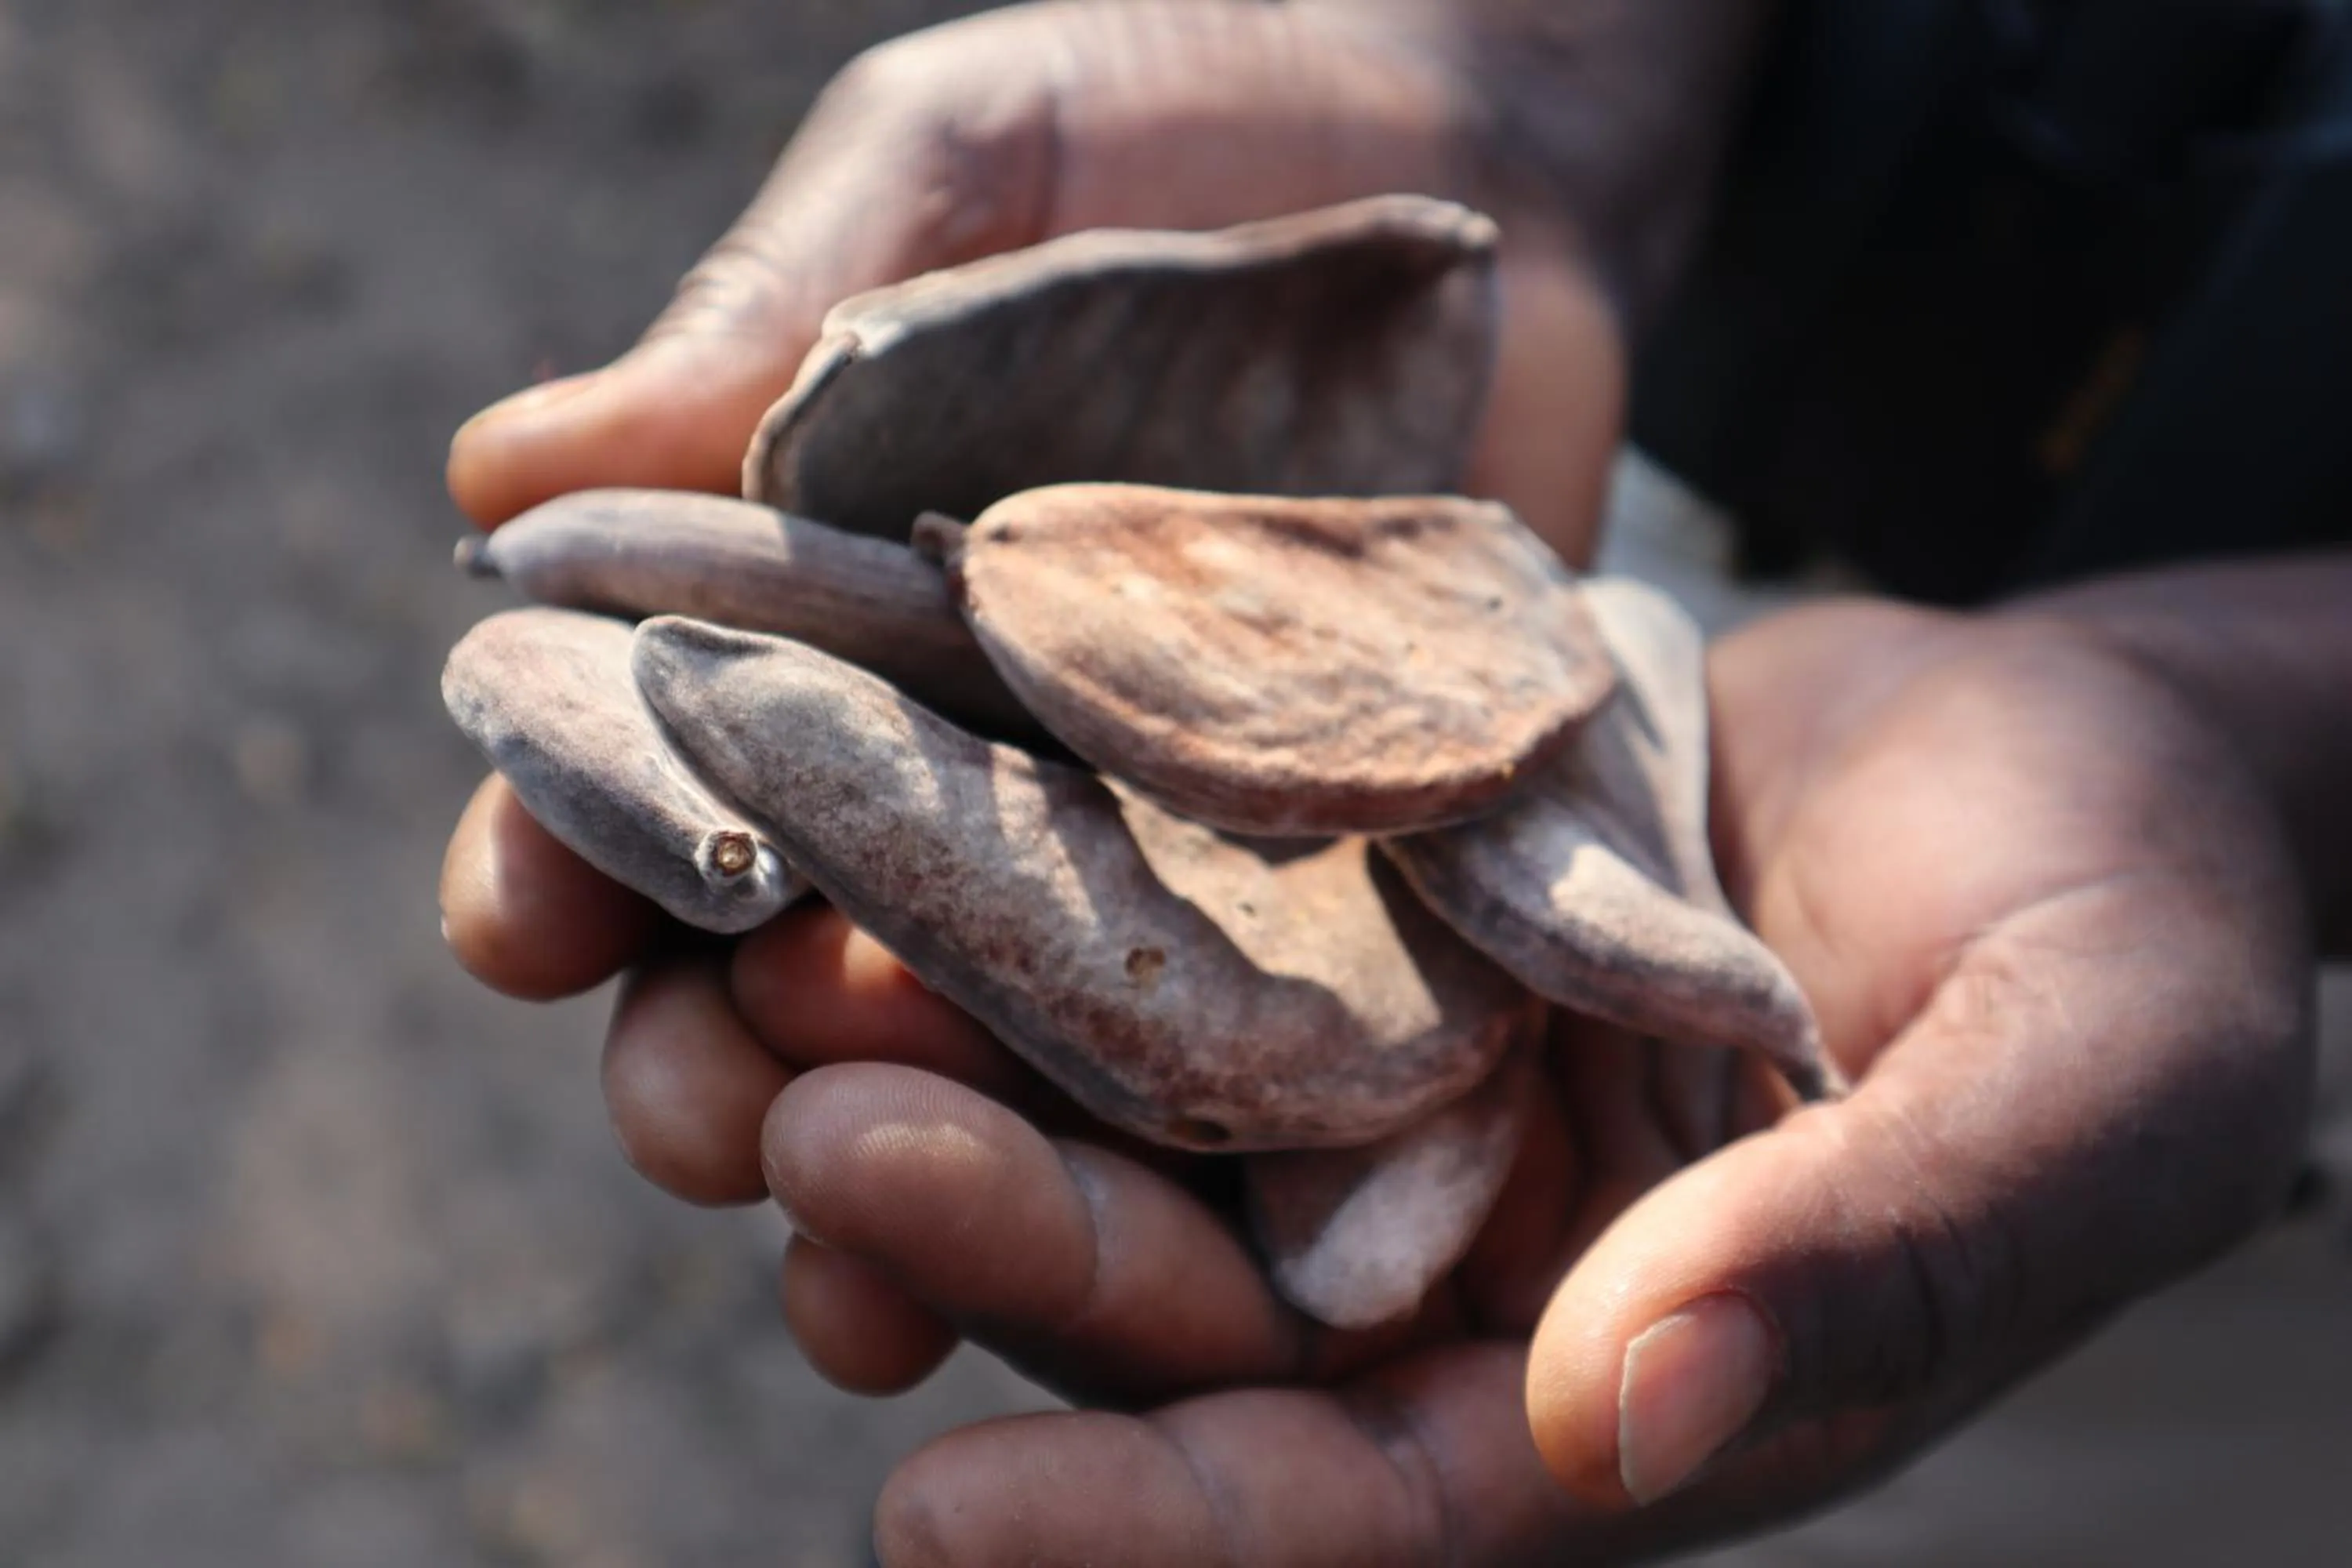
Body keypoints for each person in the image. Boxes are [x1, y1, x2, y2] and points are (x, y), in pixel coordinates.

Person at [435, 3, 2352, 1562]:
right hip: (1609, 427)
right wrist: (1535, 70)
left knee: (1807, 1397)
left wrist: (2240, 739)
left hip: (2128, 925)